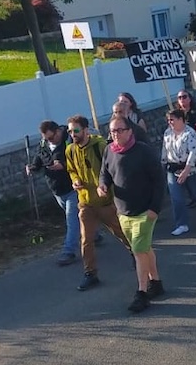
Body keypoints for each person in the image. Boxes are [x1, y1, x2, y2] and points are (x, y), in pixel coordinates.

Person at [99, 115, 165, 314]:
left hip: (144, 211)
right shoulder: (109, 151)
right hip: (123, 211)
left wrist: (154, 208)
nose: (115, 134)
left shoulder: (143, 151)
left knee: (138, 250)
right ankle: (156, 282)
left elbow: (159, 180)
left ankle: (142, 292)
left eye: (120, 130)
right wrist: (103, 185)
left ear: (130, 131)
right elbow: (105, 173)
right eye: (112, 131)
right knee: (144, 249)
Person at [65, 114, 133, 292]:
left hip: (105, 201)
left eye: (76, 130)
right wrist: (75, 180)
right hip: (85, 202)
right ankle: (90, 273)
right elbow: (71, 170)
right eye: (70, 131)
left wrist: (107, 186)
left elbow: (113, 167)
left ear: (86, 130)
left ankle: (136, 253)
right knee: (86, 239)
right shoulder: (70, 150)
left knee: (120, 232)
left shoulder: (100, 146)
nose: (73, 134)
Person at [27, 120, 79, 267]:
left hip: (73, 188)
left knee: (71, 219)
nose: (49, 140)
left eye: (51, 137)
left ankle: (68, 252)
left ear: (58, 132)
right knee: (77, 219)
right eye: (46, 138)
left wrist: (61, 166)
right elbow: (38, 161)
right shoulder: (44, 144)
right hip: (57, 190)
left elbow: (73, 161)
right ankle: (94, 235)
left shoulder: (70, 140)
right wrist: (32, 167)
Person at [162, 109, 196, 236]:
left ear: (181, 119)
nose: (170, 122)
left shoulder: (190, 133)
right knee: (176, 197)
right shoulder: (167, 133)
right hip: (173, 168)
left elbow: (193, 153)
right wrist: (163, 165)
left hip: (190, 169)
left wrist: (186, 171)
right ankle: (181, 224)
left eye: (172, 120)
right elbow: (165, 150)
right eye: (168, 120)